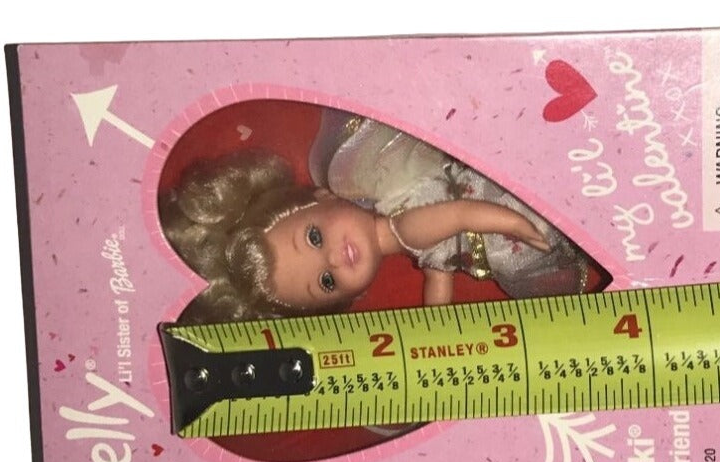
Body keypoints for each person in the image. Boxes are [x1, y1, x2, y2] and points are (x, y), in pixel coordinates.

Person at [160, 109, 591, 323]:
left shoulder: (404, 226)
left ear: (322, 196)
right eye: (326, 282)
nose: (333, 259)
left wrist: (513, 224)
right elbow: (438, 283)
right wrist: (433, 336)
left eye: (314, 237)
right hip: (496, 240)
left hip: (503, 208)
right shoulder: (415, 244)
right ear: (350, 298)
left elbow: (461, 215)